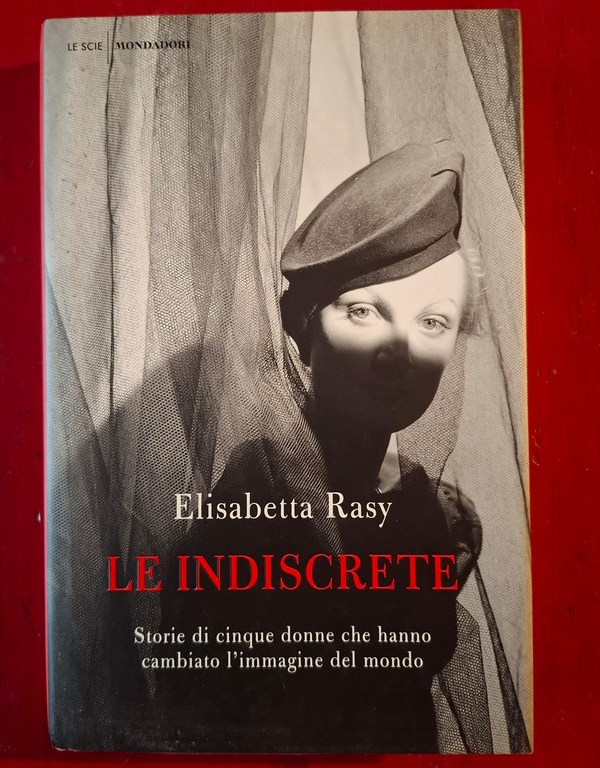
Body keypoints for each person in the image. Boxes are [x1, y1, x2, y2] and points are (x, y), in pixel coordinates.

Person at [163, 139, 484, 752]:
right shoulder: (256, 511)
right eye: (364, 312)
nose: (399, 352)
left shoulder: (424, 510)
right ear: (304, 330)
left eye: (432, 321)